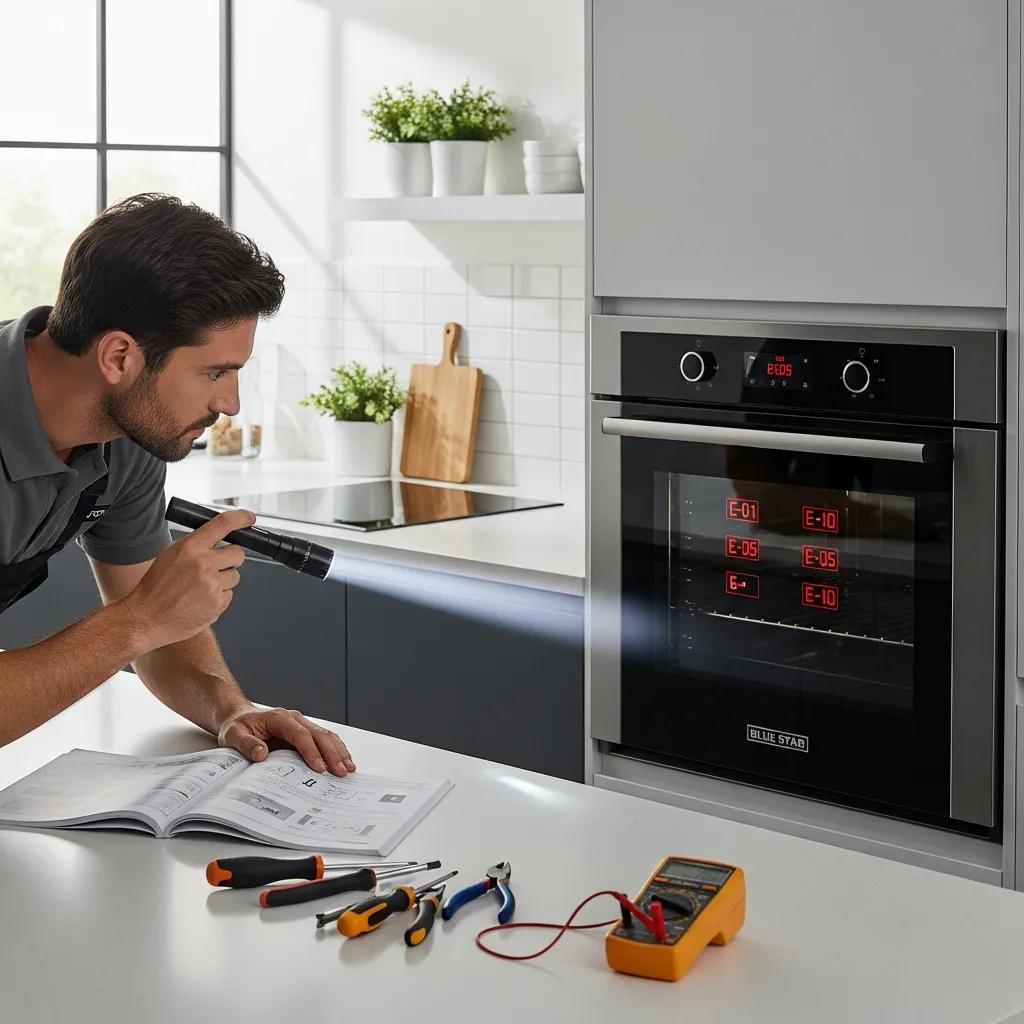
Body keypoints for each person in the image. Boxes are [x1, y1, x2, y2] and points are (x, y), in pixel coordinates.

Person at [0, 193, 355, 777]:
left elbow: (161, 625)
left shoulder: (123, 438)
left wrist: (229, 711)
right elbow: (146, 617)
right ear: (118, 356)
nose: (230, 404)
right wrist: (136, 621)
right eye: (214, 372)